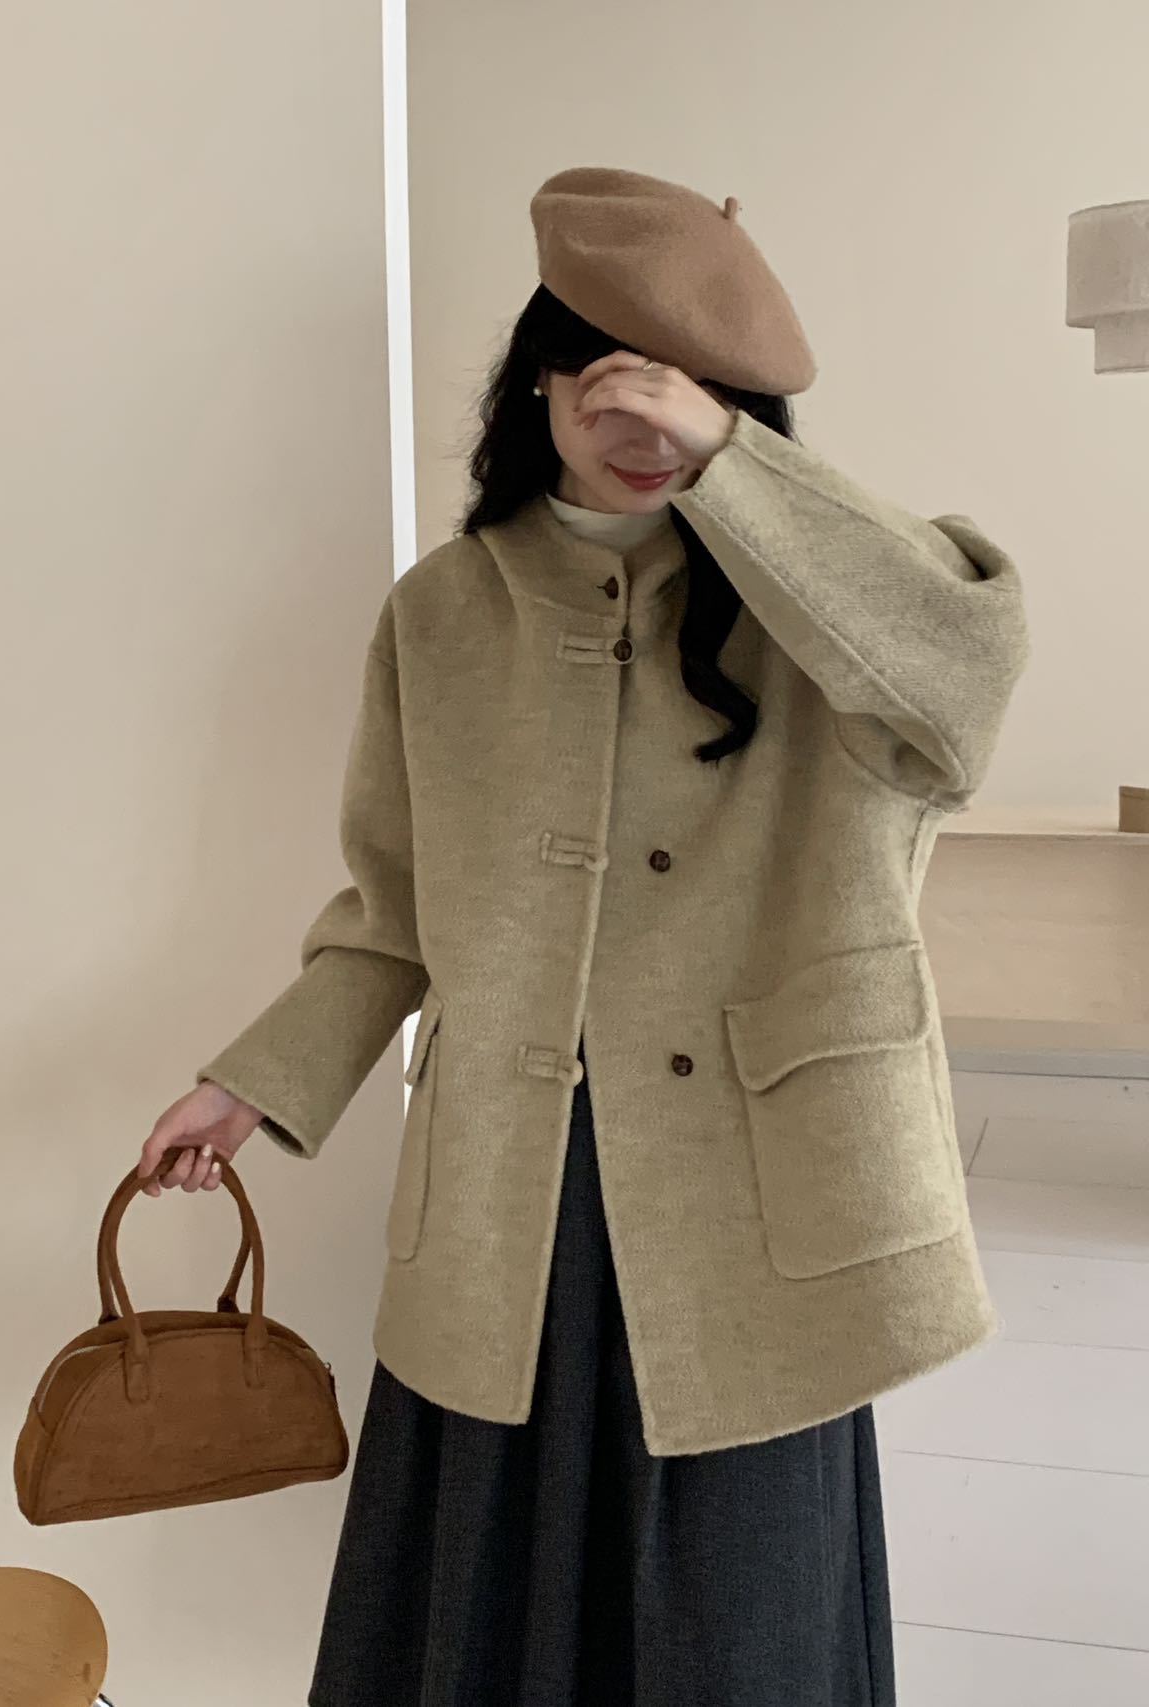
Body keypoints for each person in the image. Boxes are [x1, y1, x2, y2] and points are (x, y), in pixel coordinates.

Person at [137, 169, 1029, 1705]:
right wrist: (252, 1083)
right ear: (537, 385)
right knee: (490, 1610)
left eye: (688, 391)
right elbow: (394, 911)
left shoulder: (827, 614)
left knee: (740, 1625)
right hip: (516, 1195)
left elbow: (969, 669)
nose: (638, 419)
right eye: (602, 378)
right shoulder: (443, 616)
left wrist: (734, 475)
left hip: (759, 1197)